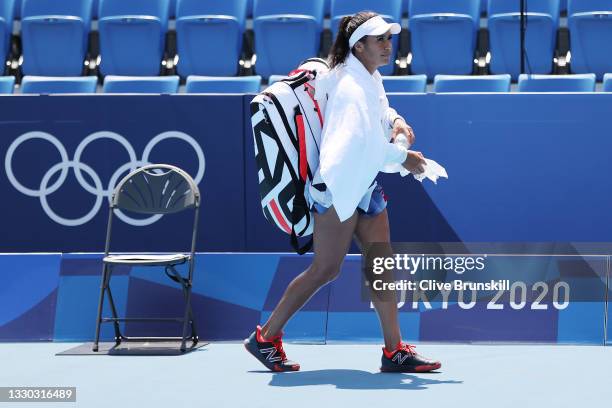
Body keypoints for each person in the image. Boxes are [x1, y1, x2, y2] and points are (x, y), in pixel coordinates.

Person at [244, 11, 441, 373]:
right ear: (359, 45)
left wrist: (395, 121)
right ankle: (265, 337)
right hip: (336, 188)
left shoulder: (367, 75)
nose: (387, 45)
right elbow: (362, 146)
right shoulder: (349, 87)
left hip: (363, 184)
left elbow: (380, 110)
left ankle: (394, 350)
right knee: (326, 269)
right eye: (379, 39)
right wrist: (405, 158)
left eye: (389, 38)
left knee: (380, 264)